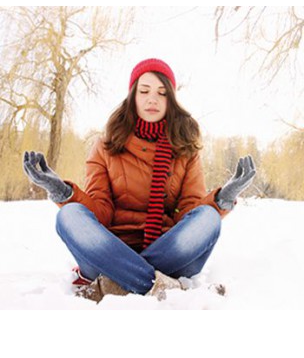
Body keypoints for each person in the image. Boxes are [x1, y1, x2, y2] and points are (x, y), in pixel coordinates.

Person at [23, 58, 256, 302]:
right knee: (68, 216)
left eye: (162, 93)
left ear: (171, 100)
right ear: (133, 95)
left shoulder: (185, 150)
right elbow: (100, 212)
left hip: (170, 255)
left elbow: (187, 214)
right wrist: (61, 192)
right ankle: (170, 290)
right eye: (144, 91)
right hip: (110, 252)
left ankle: (117, 283)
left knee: (208, 218)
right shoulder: (105, 146)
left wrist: (223, 199)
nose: (152, 99)